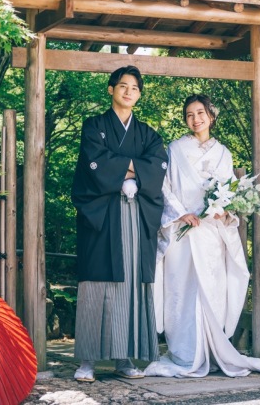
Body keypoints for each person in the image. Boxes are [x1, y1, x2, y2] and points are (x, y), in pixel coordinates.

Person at [144, 94, 260, 378]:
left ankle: (211, 350)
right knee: (181, 290)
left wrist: (223, 211)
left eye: (200, 113)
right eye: (189, 115)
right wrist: (181, 214)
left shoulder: (223, 153)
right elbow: (165, 186)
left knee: (210, 289)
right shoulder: (174, 149)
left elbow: (228, 192)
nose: (195, 119)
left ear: (211, 116)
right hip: (182, 232)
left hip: (210, 232)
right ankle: (184, 352)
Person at [70, 66, 168, 382]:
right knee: (96, 285)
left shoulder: (148, 133)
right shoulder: (93, 126)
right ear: (111, 89)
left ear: (139, 94)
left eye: (134, 88)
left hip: (135, 217)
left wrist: (126, 170)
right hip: (103, 216)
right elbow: (95, 165)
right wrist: (134, 170)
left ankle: (124, 359)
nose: (128, 92)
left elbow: (159, 164)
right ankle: (86, 360)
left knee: (131, 287)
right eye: (122, 86)